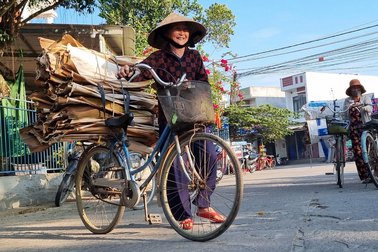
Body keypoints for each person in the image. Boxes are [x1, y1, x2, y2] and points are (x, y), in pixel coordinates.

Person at [116, 13, 225, 229]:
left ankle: (203, 205)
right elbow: (138, 72)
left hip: (195, 116)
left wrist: (191, 85)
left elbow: (203, 82)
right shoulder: (158, 59)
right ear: (166, 33)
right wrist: (127, 71)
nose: (182, 33)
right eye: (177, 29)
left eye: (185, 29)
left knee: (210, 154)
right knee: (174, 164)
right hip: (171, 117)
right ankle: (183, 214)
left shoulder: (195, 57)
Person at [343, 79, 372, 183]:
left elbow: (370, 108)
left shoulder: (366, 98)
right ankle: (365, 177)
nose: (355, 90)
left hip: (366, 127)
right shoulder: (347, 101)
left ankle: (375, 174)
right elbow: (345, 114)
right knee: (358, 153)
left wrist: (362, 106)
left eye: (357, 88)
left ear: (360, 89)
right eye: (353, 88)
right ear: (350, 90)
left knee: (371, 151)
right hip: (354, 129)